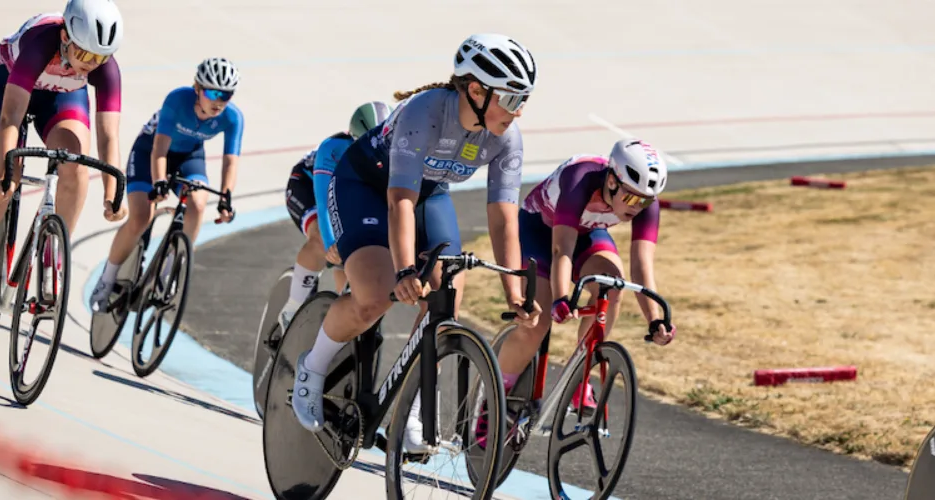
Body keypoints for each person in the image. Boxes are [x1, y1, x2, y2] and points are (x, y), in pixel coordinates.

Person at [290, 33, 543, 453]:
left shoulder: (506, 138)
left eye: (525, 99)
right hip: (366, 185)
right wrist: (406, 269)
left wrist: (514, 291)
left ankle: (410, 409)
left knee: (445, 301)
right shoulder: (425, 112)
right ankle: (312, 367)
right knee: (375, 296)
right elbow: (399, 201)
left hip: (428, 193)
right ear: (476, 91)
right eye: (512, 98)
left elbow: (503, 218)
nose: (519, 111)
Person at [0, 0, 126, 323]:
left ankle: (52, 254)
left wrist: (112, 194)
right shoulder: (39, 43)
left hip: (58, 98)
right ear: (65, 36)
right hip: (3, 90)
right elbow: (10, 117)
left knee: (75, 169)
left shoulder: (105, 68)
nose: (90, 65)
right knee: (1, 186)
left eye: (99, 58)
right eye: (85, 55)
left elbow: (109, 136)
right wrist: (4, 174)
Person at [490, 139, 679, 435]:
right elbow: (561, 249)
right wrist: (561, 298)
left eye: (644, 201)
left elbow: (642, 265)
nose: (637, 207)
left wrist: (655, 319)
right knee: (537, 322)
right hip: (538, 231)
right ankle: (494, 399)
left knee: (612, 286)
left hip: (586, 234)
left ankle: (580, 374)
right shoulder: (580, 177)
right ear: (612, 182)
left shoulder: (645, 202)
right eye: (632, 198)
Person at [88, 57, 243, 310]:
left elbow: (230, 162)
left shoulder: (233, 117)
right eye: (213, 93)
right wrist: (159, 182)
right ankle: (107, 279)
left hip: (189, 158)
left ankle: (169, 272)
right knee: (141, 217)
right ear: (197, 88)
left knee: (197, 205)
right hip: (149, 151)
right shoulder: (177, 100)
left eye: (226, 95)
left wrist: (226, 198)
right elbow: (159, 149)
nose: (219, 101)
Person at [276, 100, 394, 331]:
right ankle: (292, 308)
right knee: (323, 241)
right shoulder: (334, 147)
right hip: (307, 185)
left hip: (349, 192)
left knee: (354, 271)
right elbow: (324, 203)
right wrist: (332, 243)